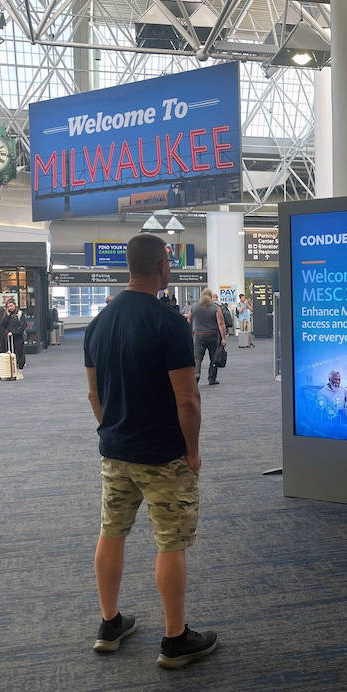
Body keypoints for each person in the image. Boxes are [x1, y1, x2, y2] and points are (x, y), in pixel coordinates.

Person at [83, 233, 217, 668]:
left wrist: (112, 430)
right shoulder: (167, 322)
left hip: (115, 450)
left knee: (112, 531)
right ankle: (175, 640)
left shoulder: (98, 323)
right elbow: (188, 398)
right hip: (163, 455)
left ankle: (110, 624)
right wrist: (192, 450)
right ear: (161, 266)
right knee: (171, 541)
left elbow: (93, 396)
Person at [186, 289, 226, 386]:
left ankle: (196, 374)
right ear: (210, 296)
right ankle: (212, 378)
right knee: (213, 357)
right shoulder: (216, 308)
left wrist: (190, 333)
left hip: (198, 335)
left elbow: (189, 321)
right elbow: (221, 323)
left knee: (197, 357)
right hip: (212, 335)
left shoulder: (193, 307)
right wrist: (223, 338)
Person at [0, 299, 27, 375]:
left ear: (15, 305)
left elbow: (22, 325)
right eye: (8, 306)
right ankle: (9, 370)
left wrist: (13, 332)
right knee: (7, 353)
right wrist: (7, 316)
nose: (10, 308)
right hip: (6, 337)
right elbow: (0, 325)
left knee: (19, 353)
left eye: (11, 306)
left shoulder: (19, 313)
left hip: (17, 337)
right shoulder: (2, 313)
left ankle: (20, 370)